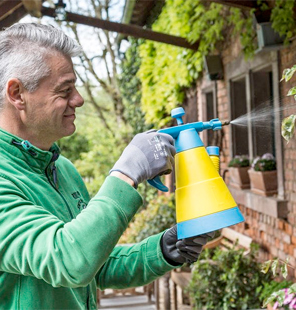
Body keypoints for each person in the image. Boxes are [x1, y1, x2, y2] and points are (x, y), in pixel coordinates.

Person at [0, 23, 212, 309]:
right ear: (17, 94)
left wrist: (163, 250)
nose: (79, 99)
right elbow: (68, 260)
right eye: (65, 90)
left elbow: (93, 264)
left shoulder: (62, 169)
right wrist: (125, 174)